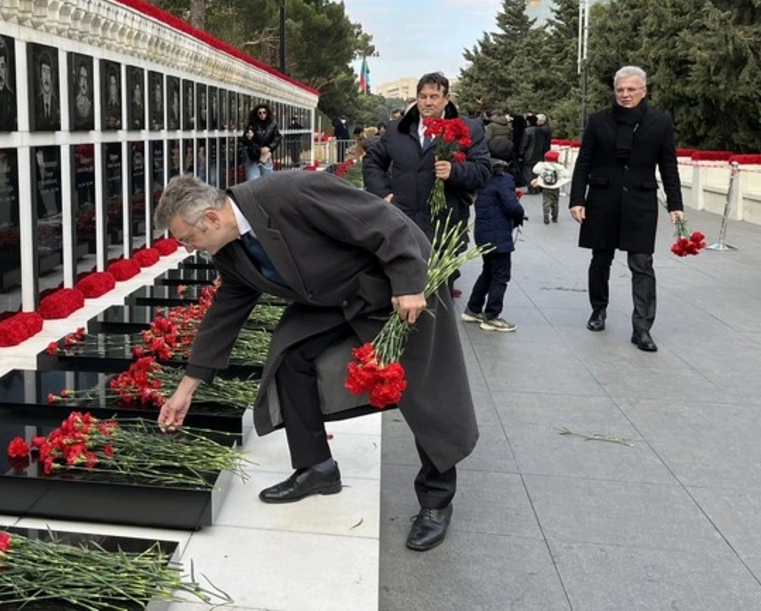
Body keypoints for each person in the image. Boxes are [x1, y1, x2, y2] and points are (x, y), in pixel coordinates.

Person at [155, 173, 478, 552]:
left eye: (187, 239)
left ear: (211, 218)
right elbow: (225, 312)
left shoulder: (287, 193)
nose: (189, 249)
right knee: (291, 357)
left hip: (398, 283)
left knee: (425, 389)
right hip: (337, 297)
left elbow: (382, 221)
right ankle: (316, 468)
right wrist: (186, 389)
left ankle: (436, 502)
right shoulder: (230, 251)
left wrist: (408, 283)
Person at [570, 65, 683, 352]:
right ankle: (598, 309)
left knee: (642, 264)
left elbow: (668, 165)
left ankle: (642, 328)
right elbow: (584, 161)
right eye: (620, 89)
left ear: (644, 91)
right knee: (600, 260)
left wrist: (675, 204)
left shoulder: (660, 122)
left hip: (640, 202)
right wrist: (577, 199)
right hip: (603, 198)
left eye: (631, 89)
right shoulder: (599, 121)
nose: (625, 95)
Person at [362, 72, 491, 241]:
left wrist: (454, 171)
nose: (427, 102)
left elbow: (483, 171)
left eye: (434, 96)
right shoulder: (397, 129)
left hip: (444, 225)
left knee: (441, 268)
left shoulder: (467, 129)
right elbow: (372, 160)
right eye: (422, 97)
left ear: (446, 98)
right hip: (402, 223)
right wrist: (383, 193)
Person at [462, 157, 525, 332]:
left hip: (483, 232)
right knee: (501, 275)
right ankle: (492, 316)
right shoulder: (503, 179)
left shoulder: (481, 177)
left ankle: (473, 309)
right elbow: (511, 206)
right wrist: (520, 214)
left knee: (488, 271)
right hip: (498, 233)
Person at [241, 103, 282, 180]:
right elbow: (244, 140)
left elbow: (277, 138)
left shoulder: (272, 124)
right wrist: (249, 138)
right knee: (253, 179)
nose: (262, 115)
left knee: (268, 178)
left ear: (267, 113)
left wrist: (269, 148)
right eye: (260, 113)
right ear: (256, 114)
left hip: (265, 154)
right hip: (253, 154)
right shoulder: (252, 124)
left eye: (264, 112)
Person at [532, 150, 571, 224]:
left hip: (545, 188)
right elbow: (567, 174)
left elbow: (535, 171)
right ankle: (554, 217)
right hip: (555, 188)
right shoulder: (559, 167)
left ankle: (546, 213)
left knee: (546, 202)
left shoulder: (542, 165)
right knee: (555, 203)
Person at [32, 53, 58, 131]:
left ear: (52, 76)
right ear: (40, 77)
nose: (46, 76)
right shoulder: (36, 102)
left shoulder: (56, 103)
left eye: (48, 71)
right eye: (44, 71)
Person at [73, 63, 93, 130]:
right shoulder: (74, 100)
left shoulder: (90, 102)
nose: (84, 82)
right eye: (82, 77)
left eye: (86, 78)